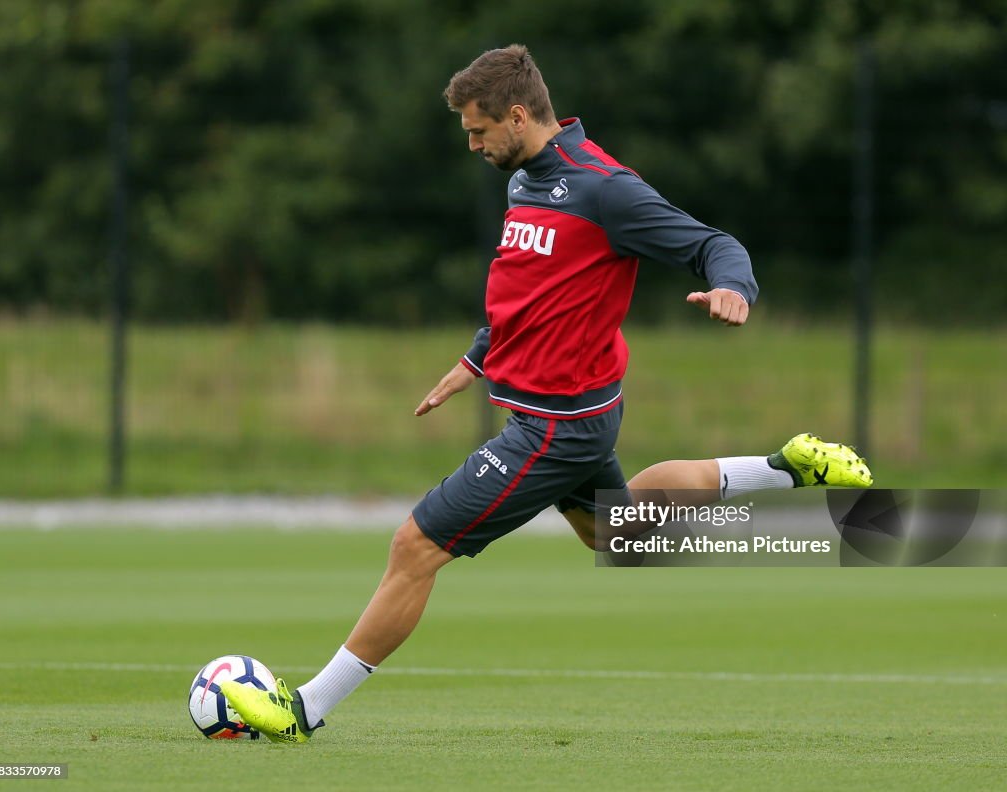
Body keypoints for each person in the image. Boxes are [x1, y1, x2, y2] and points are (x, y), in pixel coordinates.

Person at [221, 44, 872, 743]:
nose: (472, 144)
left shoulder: (605, 189)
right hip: (574, 416)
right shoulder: (524, 180)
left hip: (554, 429)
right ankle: (783, 467)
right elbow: (526, 292)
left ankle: (303, 711)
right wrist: (477, 359)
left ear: (519, 114)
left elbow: (715, 242)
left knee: (415, 546)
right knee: (617, 533)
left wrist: (733, 289)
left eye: (478, 130)